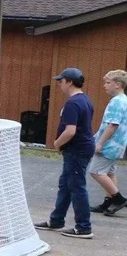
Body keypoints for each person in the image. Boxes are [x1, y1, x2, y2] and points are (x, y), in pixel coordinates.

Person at [34, 67, 95, 239]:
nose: (60, 84)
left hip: (77, 149)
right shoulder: (85, 100)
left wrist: (56, 143)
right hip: (79, 148)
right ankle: (56, 220)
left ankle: (84, 227)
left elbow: (70, 131)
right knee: (66, 185)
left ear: (69, 82)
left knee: (77, 186)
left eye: (61, 81)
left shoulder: (73, 103)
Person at [91, 69, 127, 216]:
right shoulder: (124, 100)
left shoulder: (116, 102)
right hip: (119, 144)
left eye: (108, 82)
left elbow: (113, 124)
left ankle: (118, 199)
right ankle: (108, 202)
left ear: (118, 84)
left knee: (96, 171)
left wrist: (99, 142)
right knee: (110, 173)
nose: (105, 86)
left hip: (109, 145)